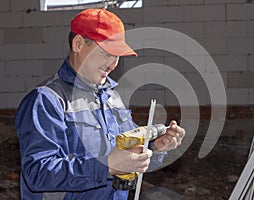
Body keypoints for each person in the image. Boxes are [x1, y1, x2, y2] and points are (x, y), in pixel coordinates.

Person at [15, 8, 185, 200]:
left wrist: (155, 147)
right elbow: (37, 173)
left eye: (117, 56)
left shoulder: (111, 97)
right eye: (106, 54)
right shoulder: (46, 100)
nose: (113, 65)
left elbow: (130, 151)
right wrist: (108, 166)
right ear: (78, 44)